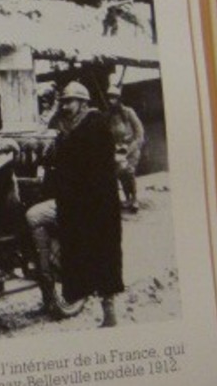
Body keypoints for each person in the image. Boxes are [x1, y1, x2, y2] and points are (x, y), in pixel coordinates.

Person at [25, 80, 123, 326]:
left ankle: (108, 314)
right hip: (76, 204)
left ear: (83, 103)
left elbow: (93, 171)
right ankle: (52, 289)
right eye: (63, 101)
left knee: (102, 256)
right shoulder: (68, 127)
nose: (65, 106)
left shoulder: (95, 126)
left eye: (70, 101)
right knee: (35, 217)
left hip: (95, 207)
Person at [105, 84, 145, 212]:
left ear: (119, 99)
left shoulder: (128, 112)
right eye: (109, 98)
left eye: (114, 98)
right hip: (117, 151)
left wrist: (128, 151)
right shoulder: (108, 116)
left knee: (129, 172)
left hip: (131, 149)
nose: (111, 101)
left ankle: (135, 199)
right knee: (121, 174)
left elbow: (139, 134)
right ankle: (127, 198)